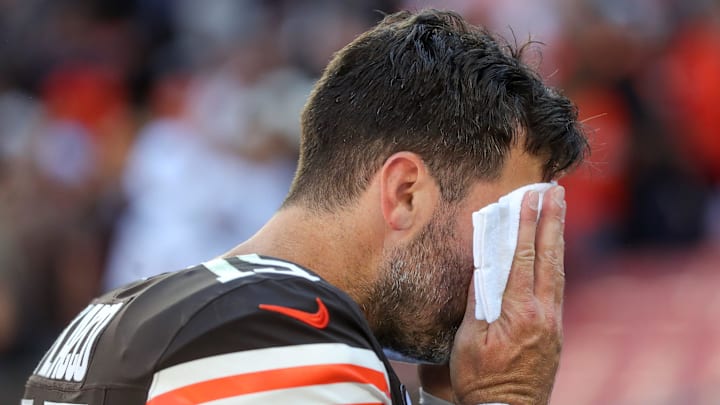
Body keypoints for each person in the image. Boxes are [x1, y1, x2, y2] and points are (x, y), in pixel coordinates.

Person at [22, 9, 588, 405]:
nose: (516, 268)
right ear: (405, 192)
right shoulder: (287, 335)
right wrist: (505, 398)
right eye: (506, 225)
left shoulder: (132, 307)